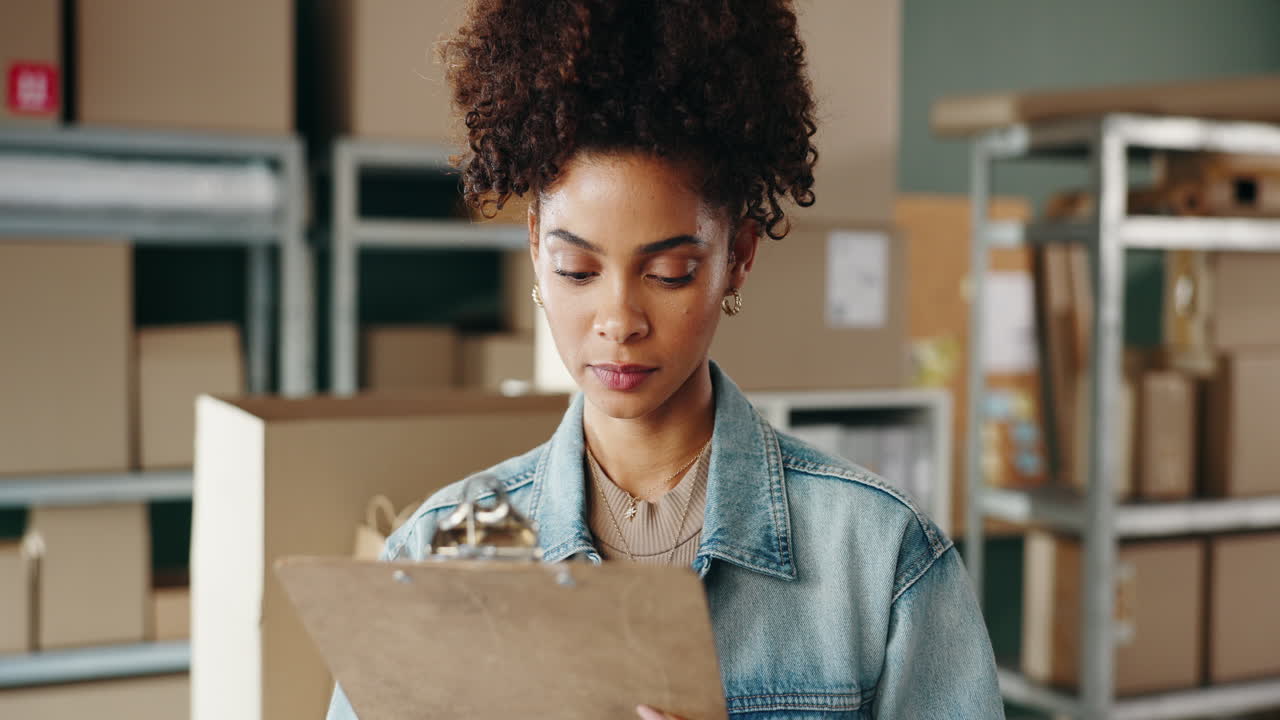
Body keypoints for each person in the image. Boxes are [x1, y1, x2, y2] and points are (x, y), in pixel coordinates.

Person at [327, 0, 1003, 717]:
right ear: (533, 247)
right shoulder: (441, 550)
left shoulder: (875, 554)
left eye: (670, 271)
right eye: (577, 271)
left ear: (738, 256)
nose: (618, 322)